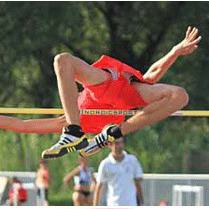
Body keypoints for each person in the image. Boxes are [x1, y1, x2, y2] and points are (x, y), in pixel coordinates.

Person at [0, 26, 201, 159]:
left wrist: (175, 51)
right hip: (111, 89)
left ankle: (109, 133)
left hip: (118, 88)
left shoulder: (76, 115)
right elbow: (20, 125)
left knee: (62, 60)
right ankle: (86, 134)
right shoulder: (76, 117)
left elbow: (21, 124)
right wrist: (175, 51)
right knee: (61, 60)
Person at [93, 137, 144, 206]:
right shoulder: (105, 164)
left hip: (131, 204)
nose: (119, 146)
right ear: (110, 145)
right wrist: (95, 206)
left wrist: (141, 203)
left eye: (121, 143)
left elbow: (137, 183)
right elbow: (99, 186)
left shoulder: (132, 161)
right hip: (113, 204)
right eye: (116, 143)